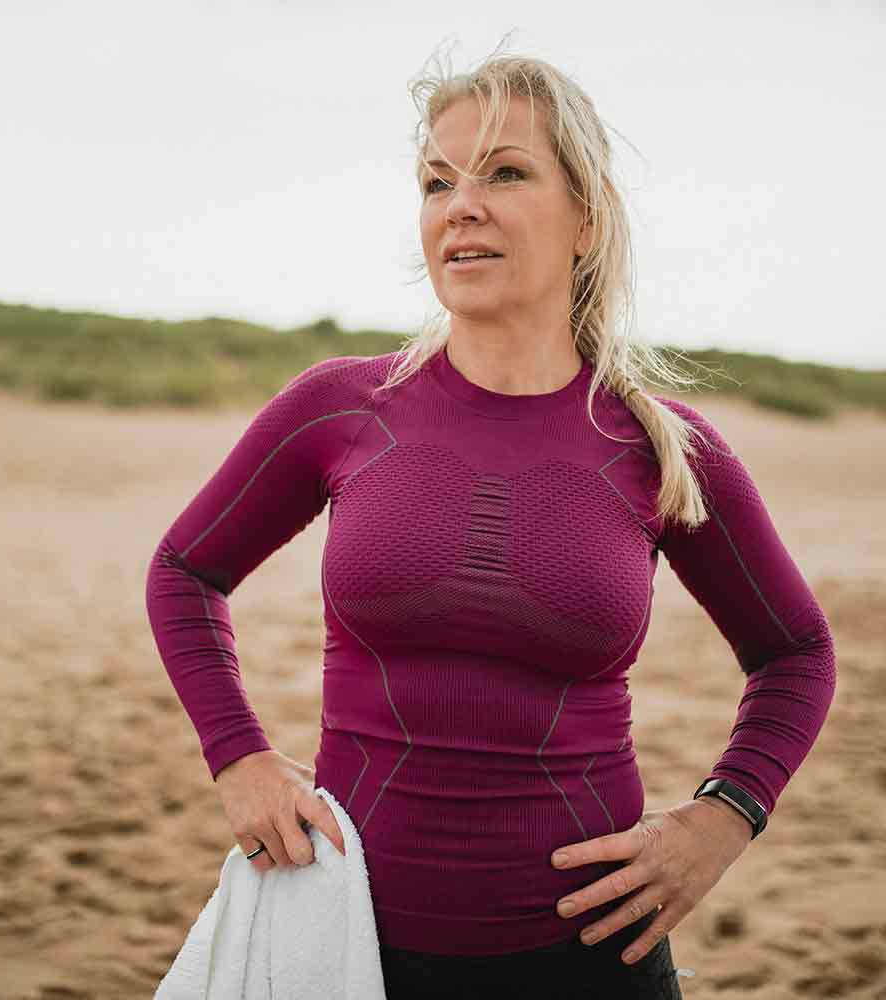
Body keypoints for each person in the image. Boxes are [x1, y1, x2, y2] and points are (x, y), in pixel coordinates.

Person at [146, 44, 836, 1000]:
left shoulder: (661, 447)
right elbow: (186, 569)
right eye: (437, 182)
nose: (459, 206)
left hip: (593, 960)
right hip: (351, 945)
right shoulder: (343, 408)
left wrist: (724, 817)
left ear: (587, 217)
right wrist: (240, 757)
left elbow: (795, 648)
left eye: (505, 173)